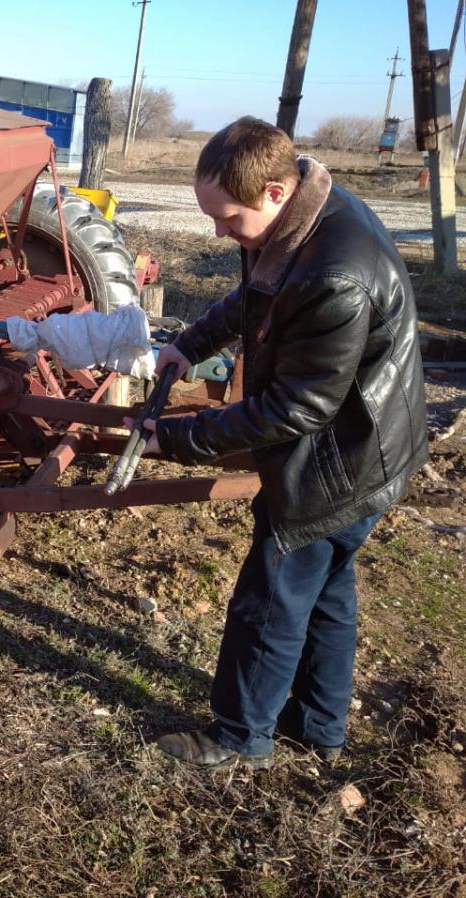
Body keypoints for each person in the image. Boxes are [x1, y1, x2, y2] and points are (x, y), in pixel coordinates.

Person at [143, 116, 428, 769]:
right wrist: (190, 345)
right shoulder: (303, 217)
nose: (220, 231)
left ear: (274, 191)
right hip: (370, 443)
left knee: (270, 597)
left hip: (341, 461)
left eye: (228, 219)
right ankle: (320, 728)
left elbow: (298, 407)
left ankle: (241, 740)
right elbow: (255, 294)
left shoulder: (335, 273)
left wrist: (179, 438)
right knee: (325, 588)